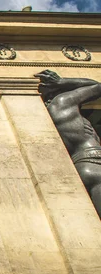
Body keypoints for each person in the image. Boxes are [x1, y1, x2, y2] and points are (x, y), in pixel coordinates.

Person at [36, 70, 101, 217]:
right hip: (96, 161)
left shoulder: (51, 112)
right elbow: (98, 86)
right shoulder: (63, 101)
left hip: (83, 164)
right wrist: (62, 81)